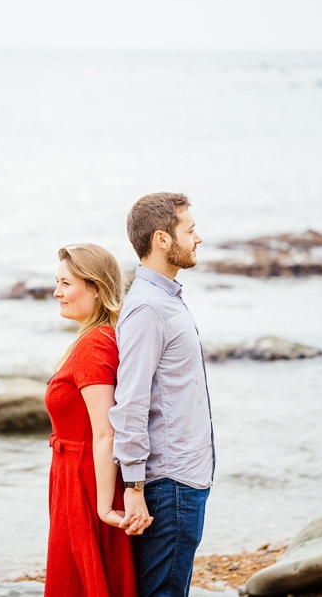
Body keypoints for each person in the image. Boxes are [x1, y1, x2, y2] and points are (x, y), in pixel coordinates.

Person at [110, 193, 215, 597]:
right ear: (162, 239)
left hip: (184, 479)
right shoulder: (149, 309)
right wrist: (133, 487)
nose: (198, 238)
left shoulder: (166, 299)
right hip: (168, 486)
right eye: (189, 230)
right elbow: (131, 400)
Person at [44, 243, 147, 597]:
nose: (57, 292)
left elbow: (106, 432)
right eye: (57, 282)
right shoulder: (91, 337)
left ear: (96, 288)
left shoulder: (95, 344)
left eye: (66, 283)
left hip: (86, 484)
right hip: (73, 477)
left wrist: (104, 507)